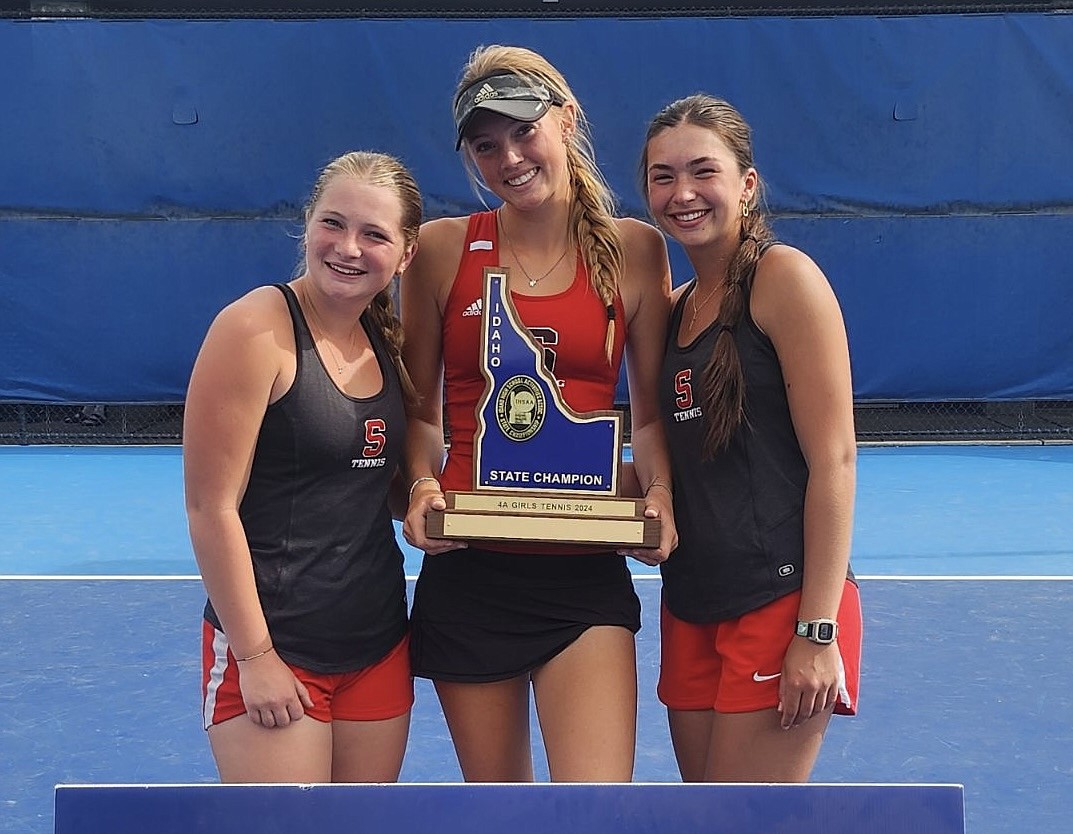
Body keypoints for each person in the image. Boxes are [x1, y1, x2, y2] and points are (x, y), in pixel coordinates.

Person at [401, 44, 677, 784]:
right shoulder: (438, 250)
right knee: (502, 827)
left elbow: (648, 420)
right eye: (486, 146)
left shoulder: (636, 251)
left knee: (594, 817)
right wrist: (420, 490)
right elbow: (420, 417)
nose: (509, 158)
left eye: (524, 132)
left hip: (582, 578)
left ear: (567, 119)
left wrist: (658, 498)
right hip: (469, 575)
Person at [641, 95, 863, 783]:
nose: (681, 194)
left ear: (746, 183)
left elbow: (835, 460)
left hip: (782, 605)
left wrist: (816, 631)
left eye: (702, 171)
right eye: (661, 176)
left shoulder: (785, 279)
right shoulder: (672, 310)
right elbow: (672, 462)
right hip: (692, 606)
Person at [184, 151, 421, 784]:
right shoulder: (254, 329)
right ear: (306, 225)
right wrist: (256, 655)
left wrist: (432, 502)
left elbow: (375, 485)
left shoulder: (386, 339)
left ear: (405, 254)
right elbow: (211, 509)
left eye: (374, 234)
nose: (348, 247)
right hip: (276, 653)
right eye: (332, 223)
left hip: (376, 648)